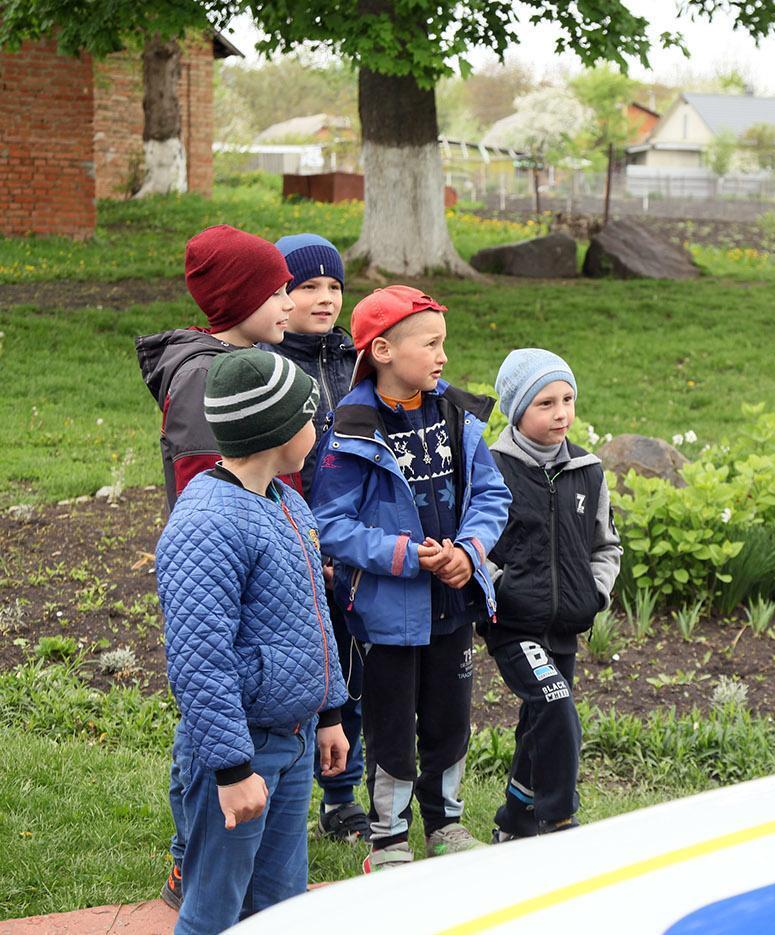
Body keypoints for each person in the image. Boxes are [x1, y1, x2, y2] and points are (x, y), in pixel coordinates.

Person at [311, 285, 511, 872]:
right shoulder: (351, 429)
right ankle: (389, 839)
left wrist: (469, 554)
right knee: (391, 727)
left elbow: (492, 494)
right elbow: (329, 524)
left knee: (450, 719)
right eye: (430, 345)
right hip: (387, 612)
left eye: (442, 344)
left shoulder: (456, 414)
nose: (442, 356)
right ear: (382, 351)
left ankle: (445, 824)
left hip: (452, 604)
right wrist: (403, 554)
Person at [155, 349, 349, 934]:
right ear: (279, 431)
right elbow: (199, 660)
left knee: (281, 906)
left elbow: (314, 618)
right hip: (240, 753)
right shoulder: (208, 522)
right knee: (214, 911)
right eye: (312, 416)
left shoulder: (287, 503)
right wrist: (233, 769)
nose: (320, 427)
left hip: (289, 744)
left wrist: (330, 712)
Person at [135, 224, 296, 909]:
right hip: (231, 585)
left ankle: (196, 862)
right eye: (277, 288)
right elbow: (214, 501)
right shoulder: (209, 377)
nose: (288, 300)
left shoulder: (245, 361)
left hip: (260, 591)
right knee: (206, 723)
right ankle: (188, 863)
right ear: (238, 299)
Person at [483, 349, 621, 842]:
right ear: (517, 410)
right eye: (545, 403)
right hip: (514, 626)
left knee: (539, 722)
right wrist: (502, 590)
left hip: (564, 627)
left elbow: (607, 544)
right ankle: (560, 822)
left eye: (567, 399)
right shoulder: (492, 467)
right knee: (556, 705)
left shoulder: (588, 470)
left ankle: (515, 820)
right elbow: (478, 544)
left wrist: (595, 594)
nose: (561, 413)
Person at [261, 233, 368, 842]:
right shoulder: (272, 361)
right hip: (297, 536)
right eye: (308, 287)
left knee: (351, 670)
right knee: (314, 669)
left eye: (334, 286)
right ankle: (296, 786)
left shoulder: (354, 359)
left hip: (352, 537)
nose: (325, 298)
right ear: (282, 293)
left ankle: (342, 796)